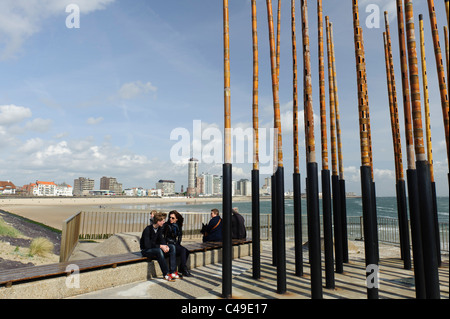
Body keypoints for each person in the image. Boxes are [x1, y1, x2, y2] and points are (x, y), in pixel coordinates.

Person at [140, 212, 178, 281]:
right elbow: (147, 245)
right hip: (146, 250)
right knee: (159, 250)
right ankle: (166, 274)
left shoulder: (159, 229)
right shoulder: (148, 230)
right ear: (158, 221)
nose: (164, 222)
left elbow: (162, 240)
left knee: (172, 247)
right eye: (163, 221)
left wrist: (165, 246)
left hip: (155, 248)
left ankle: (172, 272)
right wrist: (160, 246)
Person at [163, 210, 192, 277]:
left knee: (186, 251)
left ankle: (182, 268)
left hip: (175, 244)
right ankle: (184, 269)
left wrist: (178, 244)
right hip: (169, 244)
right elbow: (163, 236)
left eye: (173, 218)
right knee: (183, 250)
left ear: (176, 219)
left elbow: (179, 236)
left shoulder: (178, 226)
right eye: (170, 217)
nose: (170, 219)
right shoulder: (167, 225)